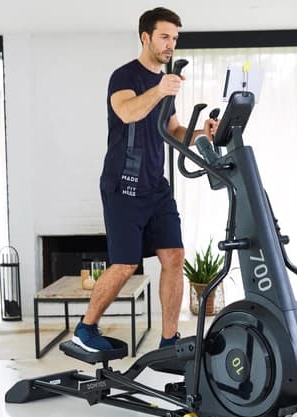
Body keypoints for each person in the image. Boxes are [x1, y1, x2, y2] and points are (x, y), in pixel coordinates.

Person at [72, 7, 217, 352]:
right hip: (123, 184)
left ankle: (168, 341)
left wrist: (204, 134)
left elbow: (174, 130)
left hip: (156, 186)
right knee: (124, 265)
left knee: (175, 256)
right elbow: (127, 112)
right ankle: (85, 329)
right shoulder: (124, 76)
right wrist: (160, 90)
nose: (171, 45)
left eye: (175, 38)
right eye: (164, 37)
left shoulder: (166, 83)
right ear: (145, 37)